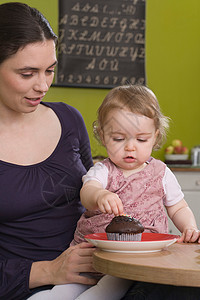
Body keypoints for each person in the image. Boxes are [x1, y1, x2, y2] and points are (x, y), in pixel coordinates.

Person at [0, 2, 98, 300]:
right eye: (27, 73)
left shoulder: (69, 118)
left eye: (50, 70)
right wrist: (48, 271)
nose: (43, 86)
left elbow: (95, 195)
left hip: (96, 276)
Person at [69, 84, 200, 299]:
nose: (130, 147)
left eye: (141, 139)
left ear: (155, 136)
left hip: (142, 257)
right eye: (119, 139)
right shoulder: (103, 170)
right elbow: (87, 191)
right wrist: (99, 195)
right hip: (97, 252)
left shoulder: (162, 173)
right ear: (103, 136)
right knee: (65, 288)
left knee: (109, 287)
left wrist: (190, 227)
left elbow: (178, 207)